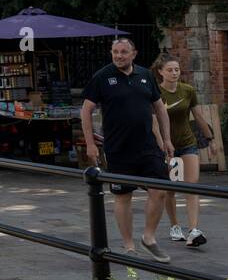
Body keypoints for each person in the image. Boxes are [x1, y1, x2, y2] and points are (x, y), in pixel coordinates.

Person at [81, 37, 175, 262]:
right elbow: (86, 110)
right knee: (123, 195)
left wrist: (167, 140)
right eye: (115, 52)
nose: (119, 56)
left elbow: (160, 109)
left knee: (160, 189)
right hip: (118, 148)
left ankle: (149, 238)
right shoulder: (103, 77)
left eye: (123, 52)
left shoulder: (145, 75)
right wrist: (91, 144)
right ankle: (129, 245)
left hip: (147, 146)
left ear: (134, 54)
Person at [151, 52, 214, 247]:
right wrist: (163, 145)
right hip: (168, 146)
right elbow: (154, 124)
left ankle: (193, 230)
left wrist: (210, 137)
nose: (174, 73)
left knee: (192, 185)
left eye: (177, 69)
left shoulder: (187, 90)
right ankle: (175, 226)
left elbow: (197, 114)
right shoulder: (156, 93)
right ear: (161, 72)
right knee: (172, 187)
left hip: (188, 142)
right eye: (169, 70)